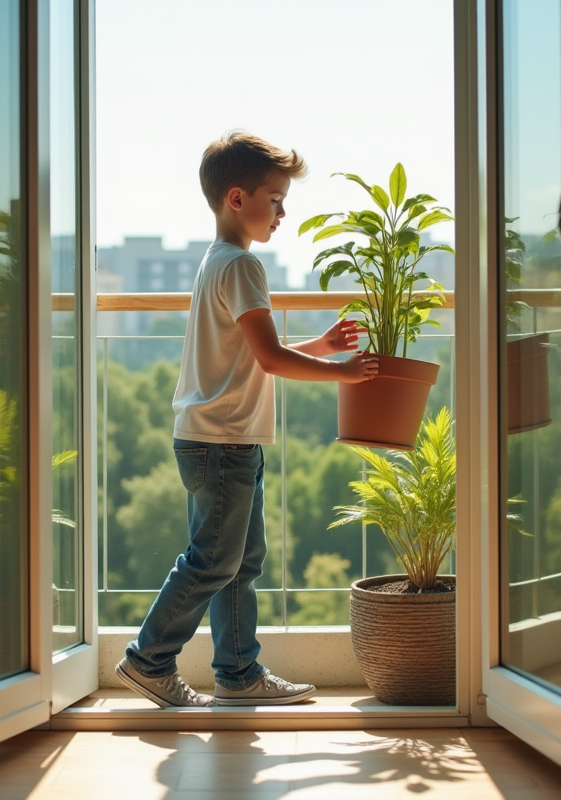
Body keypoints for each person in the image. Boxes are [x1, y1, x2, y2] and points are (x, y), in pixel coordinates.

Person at [114, 131, 380, 707]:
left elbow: (255, 351)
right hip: (223, 442)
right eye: (276, 199)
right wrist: (346, 373)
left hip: (219, 440)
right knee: (214, 560)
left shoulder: (220, 261)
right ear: (238, 198)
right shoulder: (242, 267)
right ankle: (149, 659)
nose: (283, 212)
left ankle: (238, 673)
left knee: (239, 561)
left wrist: (325, 345)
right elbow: (271, 359)